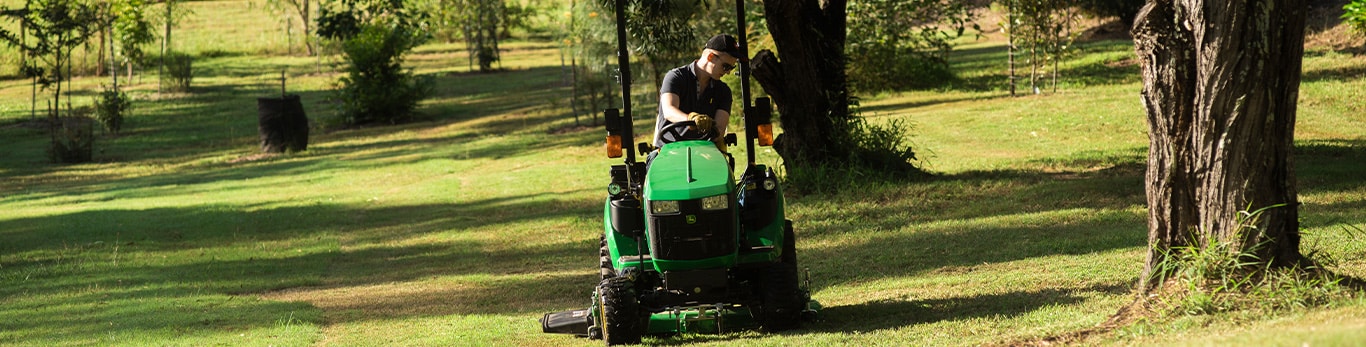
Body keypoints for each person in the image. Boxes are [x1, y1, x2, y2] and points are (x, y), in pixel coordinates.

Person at [652, 34, 742, 151]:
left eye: (731, 68)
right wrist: (691, 118)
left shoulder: (723, 91)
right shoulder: (676, 77)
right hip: (668, 149)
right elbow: (669, 111)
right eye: (725, 67)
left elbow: (719, 129)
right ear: (710, 57)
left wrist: (715, 133)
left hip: (705, 151)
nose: (728, 72)